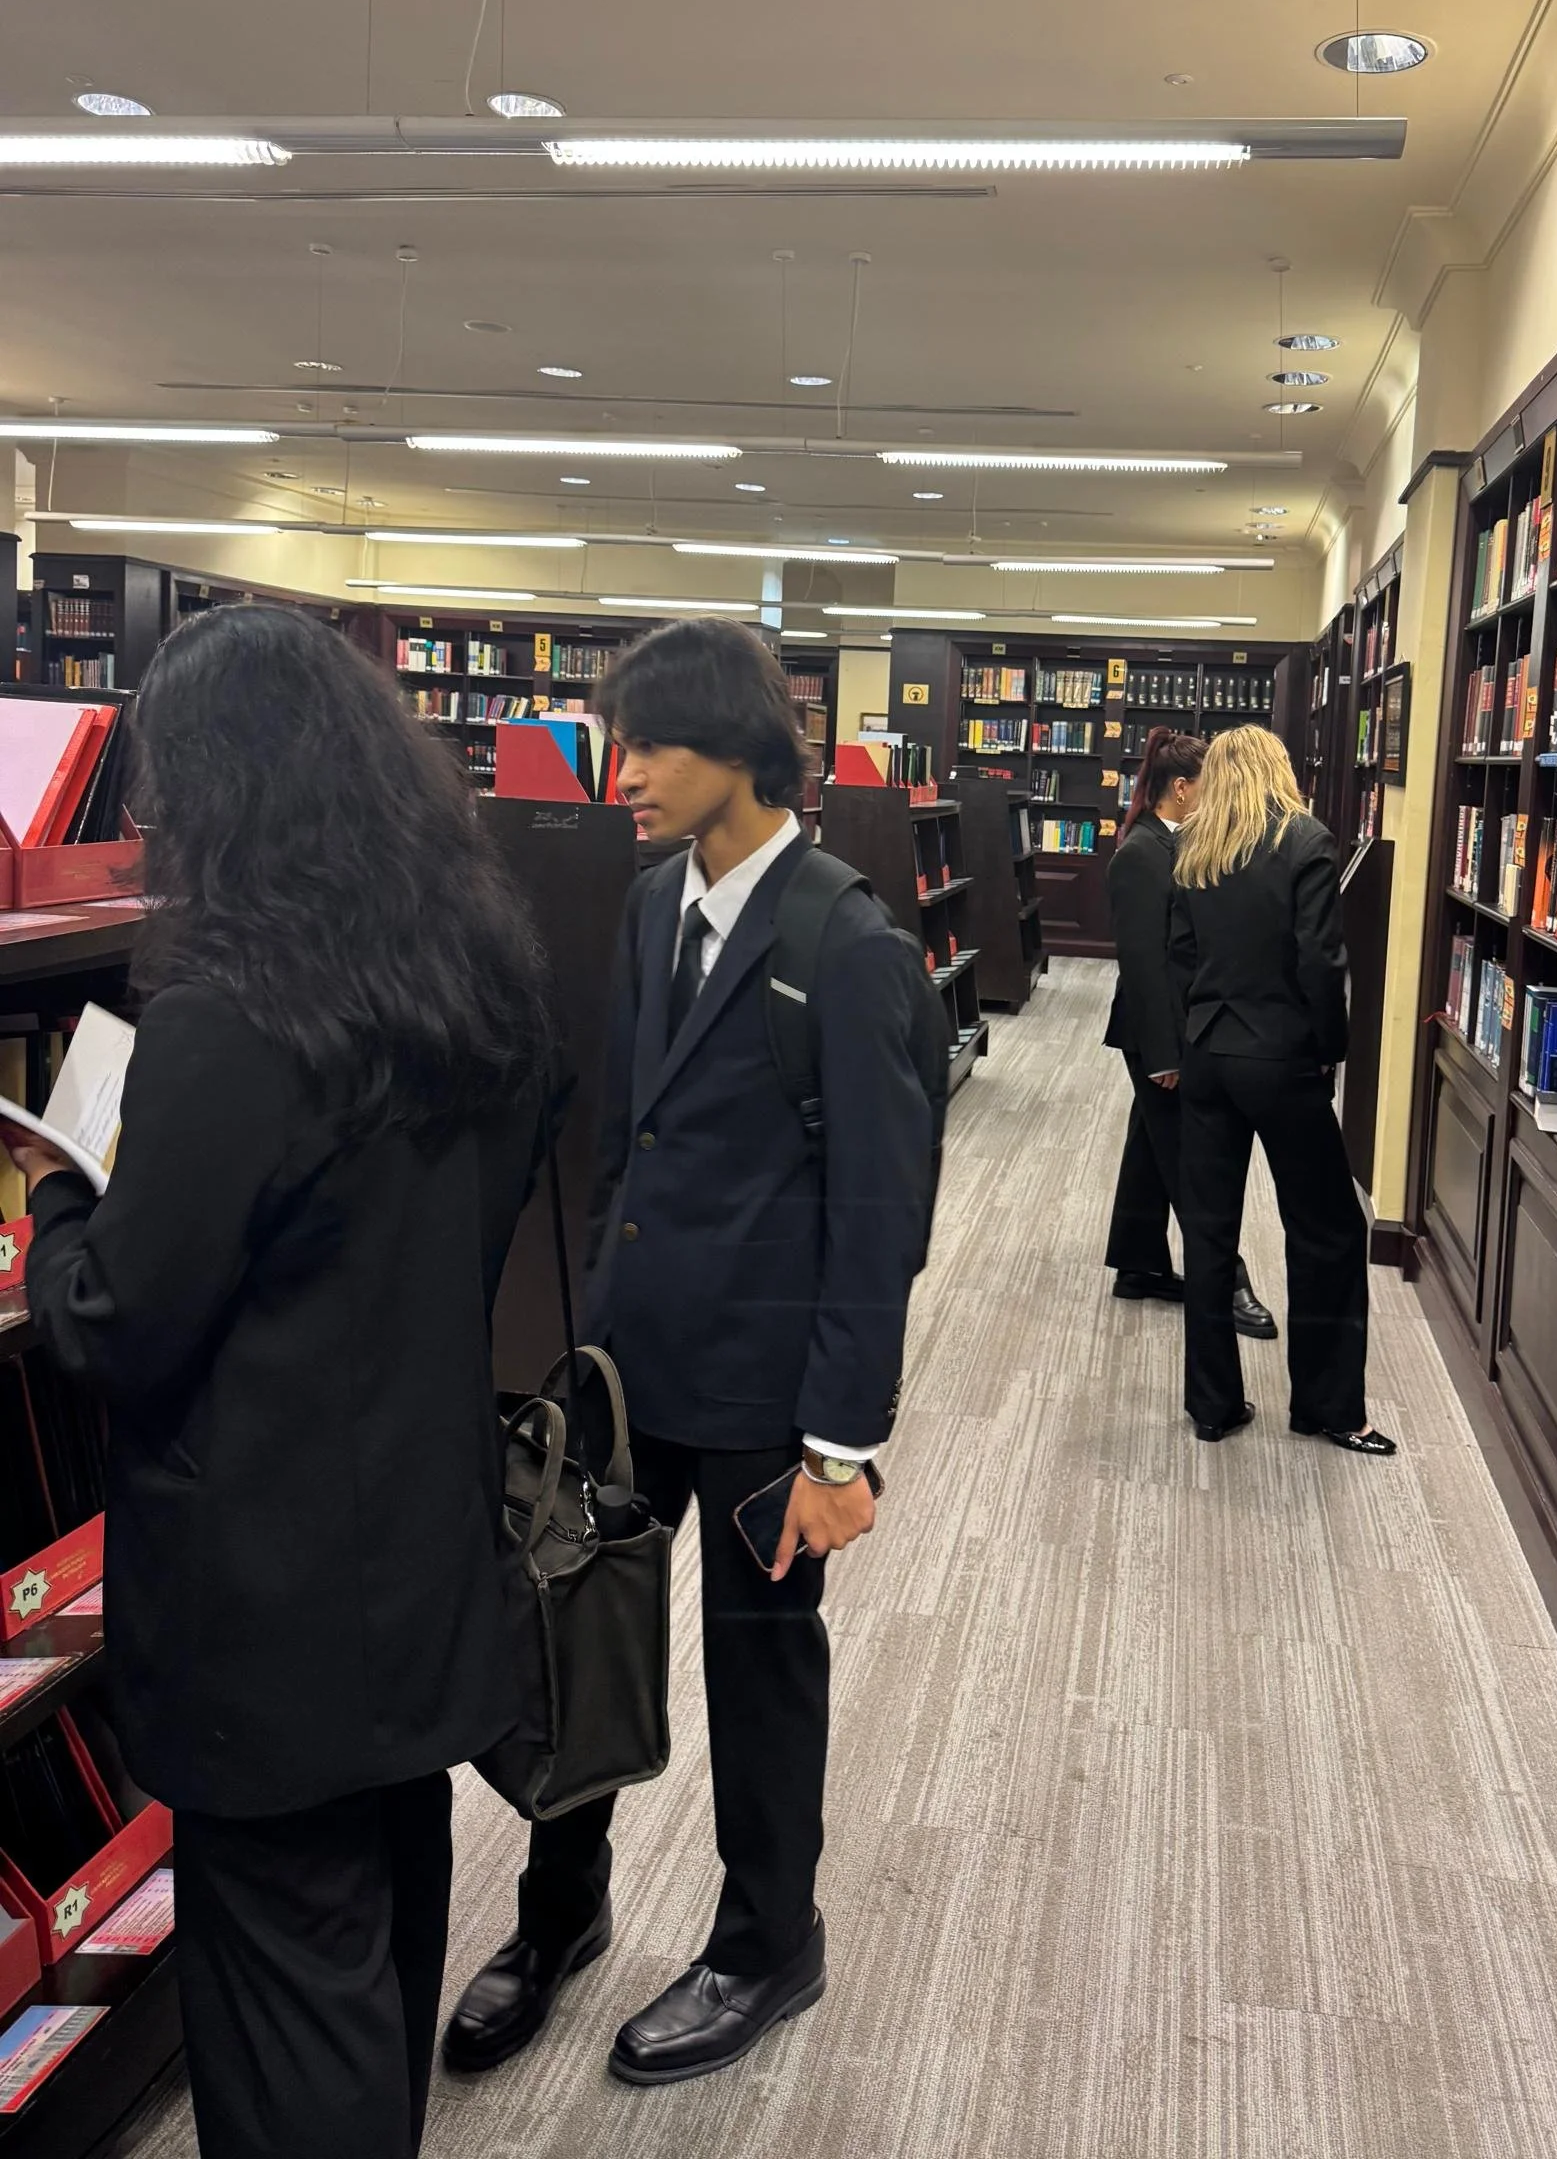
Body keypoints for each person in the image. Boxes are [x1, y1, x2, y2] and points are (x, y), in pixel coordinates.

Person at [11, 605, 553, 2159]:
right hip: (420, 1572)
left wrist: (54, 1204)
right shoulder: (478, 982)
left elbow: (119, 1319)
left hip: (268, 1623)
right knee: (379, 1944)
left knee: (280, 2011)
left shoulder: (228, 1021)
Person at [445, 617, 934, 2091]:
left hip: (765, 1395)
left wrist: (842, 1445)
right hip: (627, 1367)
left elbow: (880, 1210)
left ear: (736, 750)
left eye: (649, 742)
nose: (624, 769)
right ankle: (561, 1910)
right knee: (576, 1633)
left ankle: (769, 1936)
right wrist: (587, 1334)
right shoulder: (653, 901)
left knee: (759, 1661)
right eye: (619, 737)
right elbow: (621, 1149)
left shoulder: (846, 939)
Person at [1168, 723, 1395, 1457]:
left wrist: (1193, 1032)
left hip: (1207, 1057)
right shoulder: (1306, 841)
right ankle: (1329, 1409)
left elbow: (1179, 956)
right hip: (1281, 1060)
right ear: (1278, 770)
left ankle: (1214, 1405)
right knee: (1327, 1231)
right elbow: (1321, 963)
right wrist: (1329, 1052)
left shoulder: (1193, 848)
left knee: (1207, 1233)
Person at [1103, 726, 1274, 1339]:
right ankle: (1227, 1281)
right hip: (1159, 1036)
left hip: (1173, 1029)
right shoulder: (1142, 854)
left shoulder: (1174, 842)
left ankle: (1138, 1264)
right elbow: (1144, 966)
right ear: (1181, 789)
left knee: (1151, 1145)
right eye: (1210, 786)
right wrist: (1163, 1055)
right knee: (1189, 1161)